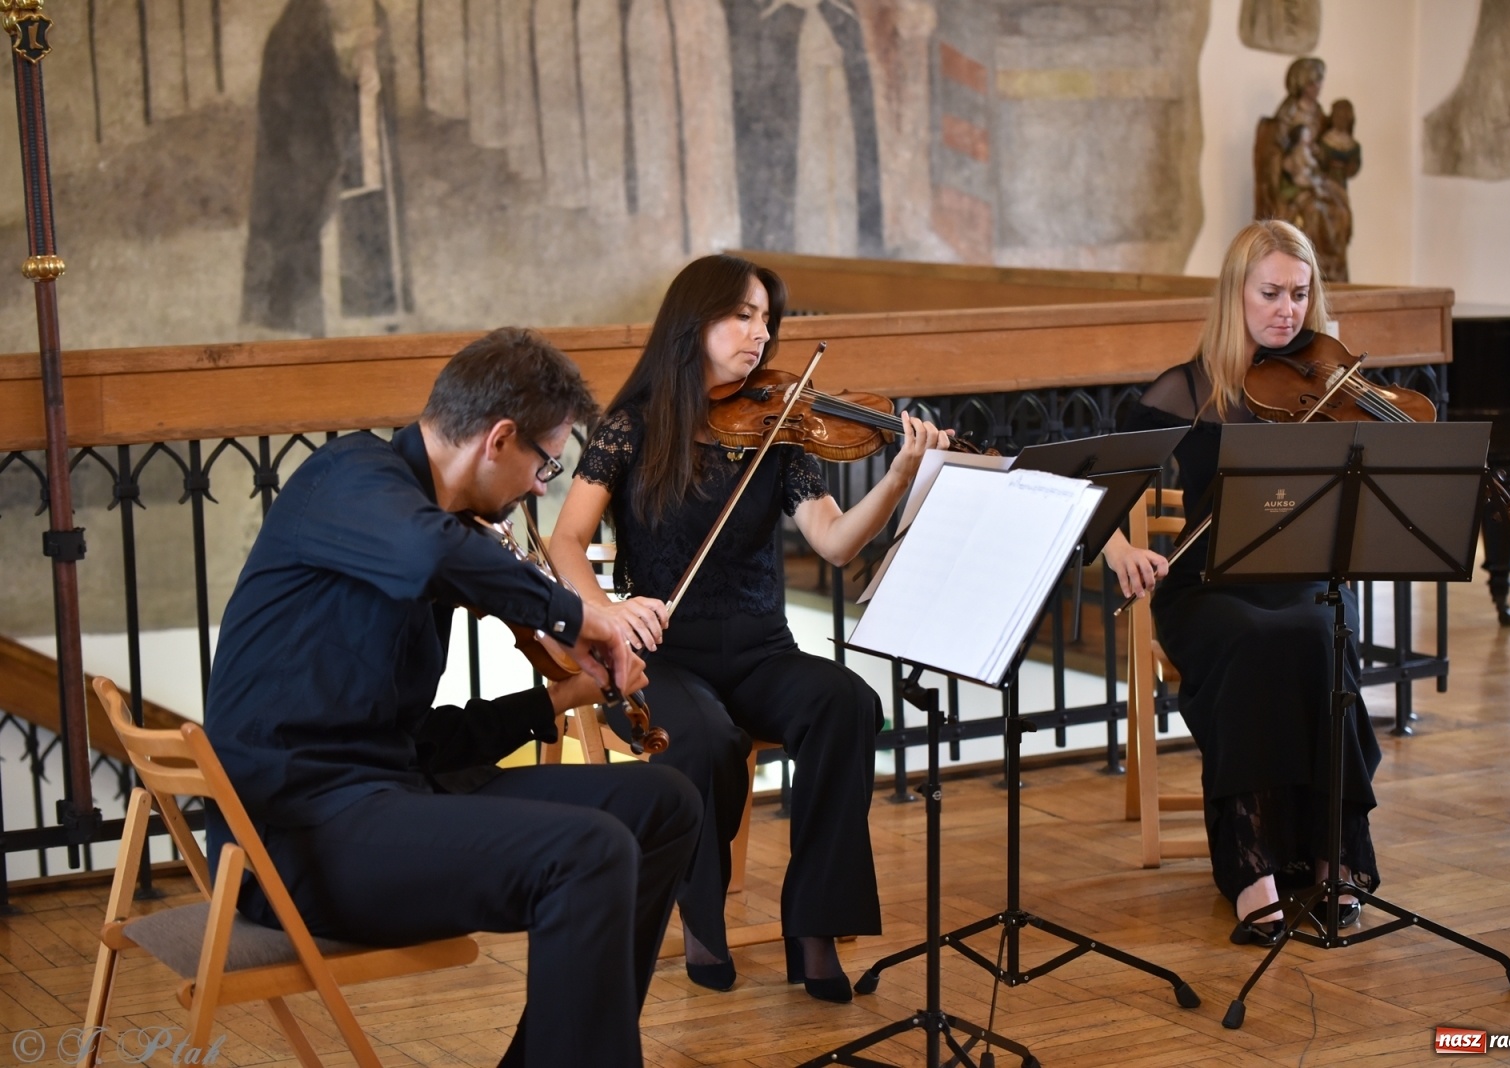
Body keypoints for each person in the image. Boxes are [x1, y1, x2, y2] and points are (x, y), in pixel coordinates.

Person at [203, 327, 701, 1068]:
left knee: (664, 804)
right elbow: (427, 549)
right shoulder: (350, 478)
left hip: (385, 796)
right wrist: (578, 614)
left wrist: (559, 698)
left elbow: (410, 743)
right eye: (546, 462)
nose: (543, 487)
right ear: (499, 439)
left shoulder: (430, 531)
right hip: (297, 840)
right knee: (588, 853)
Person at [548, 253, 951, 1001]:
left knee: (846, 702)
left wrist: (899, 476)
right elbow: (565, 540)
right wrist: (604, 612)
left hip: (762, 650)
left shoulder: (779, 431)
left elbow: (835, 541)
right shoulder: (631, 429)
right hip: (663, 658)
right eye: (742, 316)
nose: (760, 334)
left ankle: (814, 926)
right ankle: (702, 918)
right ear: (692, 323)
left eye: (766, 319)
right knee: (705, 737)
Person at [1101, 220, 1382, 945]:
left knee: (1319, 631)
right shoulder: (1188, 389)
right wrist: (1119, 548)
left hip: (1303, 580)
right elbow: (1099, 486)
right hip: (1208, 587)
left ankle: (1332, 856)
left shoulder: (1324, 388)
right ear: (1236, 295)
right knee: (1257, 638)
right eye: (1271, 293)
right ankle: (1252, 868)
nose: (1288, 310)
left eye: (1300, 294)